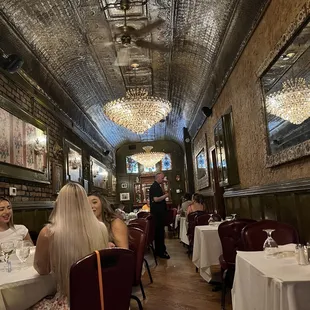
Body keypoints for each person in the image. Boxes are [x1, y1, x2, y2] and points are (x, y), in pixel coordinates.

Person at [33, 183, 109, 309]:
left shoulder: (48, 233)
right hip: (99, 298)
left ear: (59, 203)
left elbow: (42, 270)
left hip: (70, 303)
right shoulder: (101, 228)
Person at [149, 172, 170, 259]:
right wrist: (165, 195)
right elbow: (156, 199)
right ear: (157, 178)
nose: (163, 179)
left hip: (159, 214)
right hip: (157, 214)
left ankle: (161, 250)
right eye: (162, 178)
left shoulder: (157, 186)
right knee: (159, 233)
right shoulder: (154, 186)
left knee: (160, 233)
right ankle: (160, 252)